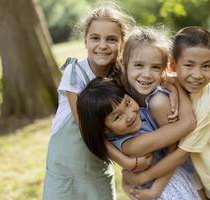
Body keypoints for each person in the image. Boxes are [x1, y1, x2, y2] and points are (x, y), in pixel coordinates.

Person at [122, 26, 210, 200]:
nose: (197, 74)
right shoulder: (175, 80)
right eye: (189, 65)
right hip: (206, 181)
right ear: (172, 65)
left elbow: (180, 155)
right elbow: (170, 77)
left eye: (206, 66)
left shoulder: (208, 105)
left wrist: (143, 177)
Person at [43, 3, 140, 200]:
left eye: (111, 39)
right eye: (95, 38)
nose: (102, 45)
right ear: (85, 40)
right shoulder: (75, 72)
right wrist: (125, 161)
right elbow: (86, 128)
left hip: (98, 161)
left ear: (122, 43)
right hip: (67, 162)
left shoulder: (122, 73)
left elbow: (162, 74)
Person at [77, 77, 201, 200]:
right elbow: (188, 123)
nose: (130, 115)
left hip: (177, 177)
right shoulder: (132, 145)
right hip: (167, 190)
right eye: (118, 117)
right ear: (105, 129)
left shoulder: (141, 113)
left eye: (127, 103)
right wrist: (178, 85)